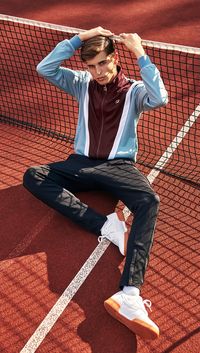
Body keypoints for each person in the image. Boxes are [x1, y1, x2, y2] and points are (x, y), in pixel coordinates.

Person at [23, 26, 168, 340]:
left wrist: (140, 52)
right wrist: (79, 39)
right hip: (81, 164)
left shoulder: (135, 91)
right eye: (91, 65)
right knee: (34, 176)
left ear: (114, 59)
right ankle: (106, 226)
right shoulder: (80, 84)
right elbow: (44, 68)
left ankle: (129, 293)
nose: (98, 71)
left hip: (118, 166)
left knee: (149, 202)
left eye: (103, 63)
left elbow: (161, 97)